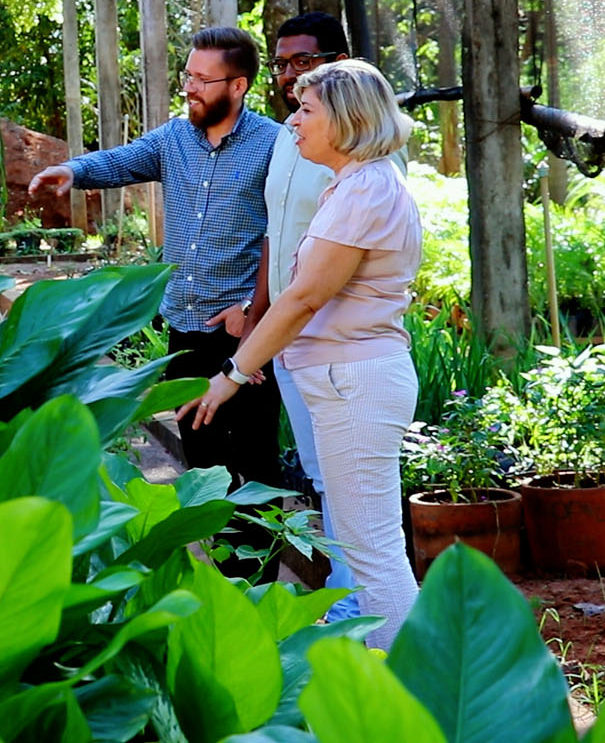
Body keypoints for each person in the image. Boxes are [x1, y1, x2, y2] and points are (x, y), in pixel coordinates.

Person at [176, 59, 422, 650]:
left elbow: (303, 297)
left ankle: (409, 690)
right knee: (367, 546)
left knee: (373, 552)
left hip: (355, 381)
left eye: (306, 111)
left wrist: (233, 373)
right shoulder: (356, 183)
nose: (293, 124)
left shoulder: (365, 189)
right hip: (350, 377)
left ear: (345, 119)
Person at [29, 27, 282, 573]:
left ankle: (260, 584)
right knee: (200, 459)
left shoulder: (275, 145)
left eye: (201, 78)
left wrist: (252, 313)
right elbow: (121, 161)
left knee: (254, 464)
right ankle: (225, 579)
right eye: (187, 75)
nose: (189, 86)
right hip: (186, 327)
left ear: (237, 86)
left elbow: (284, 236)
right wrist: (72, 171)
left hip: (243, 333)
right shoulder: (174, 139)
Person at [249, 12, 405, 620]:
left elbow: (322, 283)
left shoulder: (369, 171)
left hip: (343, 352)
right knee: (325, 482)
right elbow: (279, 234)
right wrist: (259, 315)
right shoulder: (295, 138)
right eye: (282, 64)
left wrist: (237, 368)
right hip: (300, 344)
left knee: (369, 532)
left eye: (303, 66)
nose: (290, 83)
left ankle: (366, 621)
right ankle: (354, 608)